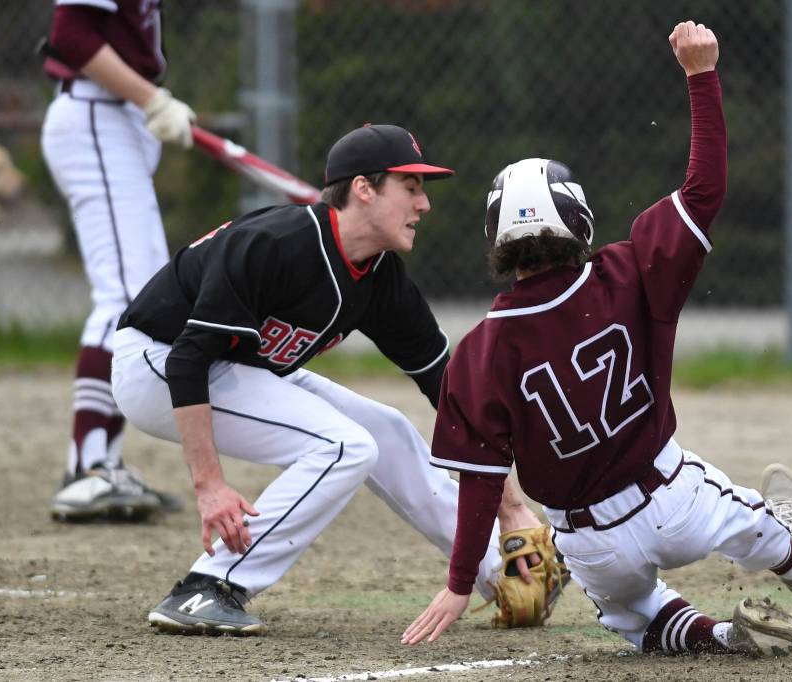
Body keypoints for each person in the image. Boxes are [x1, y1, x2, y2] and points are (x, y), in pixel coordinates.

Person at [402, 22, 792, 658]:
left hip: (586, 538)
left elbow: (480, 481)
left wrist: (458, 584)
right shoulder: (629, 268)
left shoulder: (479, 351)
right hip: (675, 499)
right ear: (577, 219)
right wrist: (701, 76)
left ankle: (721, 637)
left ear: (496, 239)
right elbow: (705, 189)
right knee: (762, 531)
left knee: (637, 620)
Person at [110, 123, 546, 635]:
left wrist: (511, 506)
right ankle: (208, 587)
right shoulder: (274, 245)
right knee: (344, 445)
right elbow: (188, 360)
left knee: (385, 431)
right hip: (157, 364)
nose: (424, 204)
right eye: (411, 187)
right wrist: (210, 485)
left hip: (233, 369)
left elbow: (448, 389)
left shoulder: (379, 275)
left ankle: (507, 573)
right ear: (364, 188)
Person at [40, 0, 192, 522]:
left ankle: (100, 462)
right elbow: (73, 33)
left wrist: (148, 105)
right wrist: (153, 99)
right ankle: (86, 468)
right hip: (96, 114)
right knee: (125, 299)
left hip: (118, 118)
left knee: (143, 298)